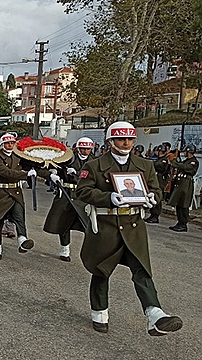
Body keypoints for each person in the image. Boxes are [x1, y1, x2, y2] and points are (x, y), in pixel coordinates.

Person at [75, 121, 182, 336]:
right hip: (107, 225)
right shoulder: (94, 166)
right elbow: (83, 192)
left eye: (130, 139)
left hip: (133, 225)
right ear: (110, 141)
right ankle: (99, 312)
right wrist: (108, 197)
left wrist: (153, 197)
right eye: (121, 139)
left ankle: (155, 314)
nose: (126, 143)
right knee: (101, 269)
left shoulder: (145, 165)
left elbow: (155, 189)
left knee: (141, 269)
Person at [0, 133, 39, 260]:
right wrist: (26, 175)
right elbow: (6, 173)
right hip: (1, 192)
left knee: (19, 216)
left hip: (16, 192)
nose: (10, 145)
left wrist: (48, 173)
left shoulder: (18, 156)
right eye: (7, 143)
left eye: (12, 143)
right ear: (2, 145)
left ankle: (22, 241)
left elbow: (31, 164)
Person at [43, 137, 94, 262]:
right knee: (63, 222)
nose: (85, 151)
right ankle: (65, 248)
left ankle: (90, 250)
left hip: (83, 194)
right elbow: (56, 165)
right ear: (77, 148)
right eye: (83, 148)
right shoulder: (68, 158)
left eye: (88, 149)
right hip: (66, 192)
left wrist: (76, 173)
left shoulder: (94, 162)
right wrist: (53, 172)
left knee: (89, 224)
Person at [167, 144, 199, 232]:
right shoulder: (186, 161)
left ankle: (183, 223)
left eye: (185, 152)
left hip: (186, 184)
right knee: (178, 204)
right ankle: (180, 222)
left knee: (184, 205)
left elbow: (186, 168)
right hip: (180, 183)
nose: (184, 153)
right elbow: (181, 165)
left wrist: (174, 162)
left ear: (189, 152)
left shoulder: (193, 162)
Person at [145, 145, 170, 223]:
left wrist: (149, 162)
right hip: (156, 179)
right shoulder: (158, 159)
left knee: (157, 198)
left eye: (160, 151)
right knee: (153, 197)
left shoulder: (164, 160)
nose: (158, 153)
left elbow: (160, 167)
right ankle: (153, 214)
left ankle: (155, 215)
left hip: (160, 181)